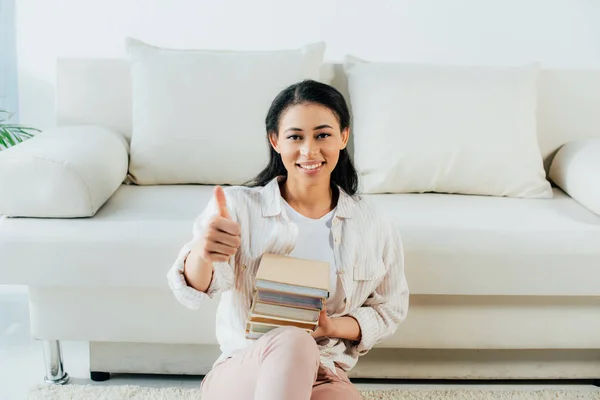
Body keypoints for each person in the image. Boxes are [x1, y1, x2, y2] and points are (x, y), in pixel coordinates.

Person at [167, 79, 409, 400]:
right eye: (295, 136)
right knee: (294, 339)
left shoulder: (372, 221)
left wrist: (330, 327)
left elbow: (389, 308)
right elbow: (194, 290)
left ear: (344, 136)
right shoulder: (237, 206)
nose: (309, 150)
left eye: (323, 135)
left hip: (324, 372)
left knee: (307, 348)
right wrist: (203, 253)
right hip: (245, 367)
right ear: (275, 141)